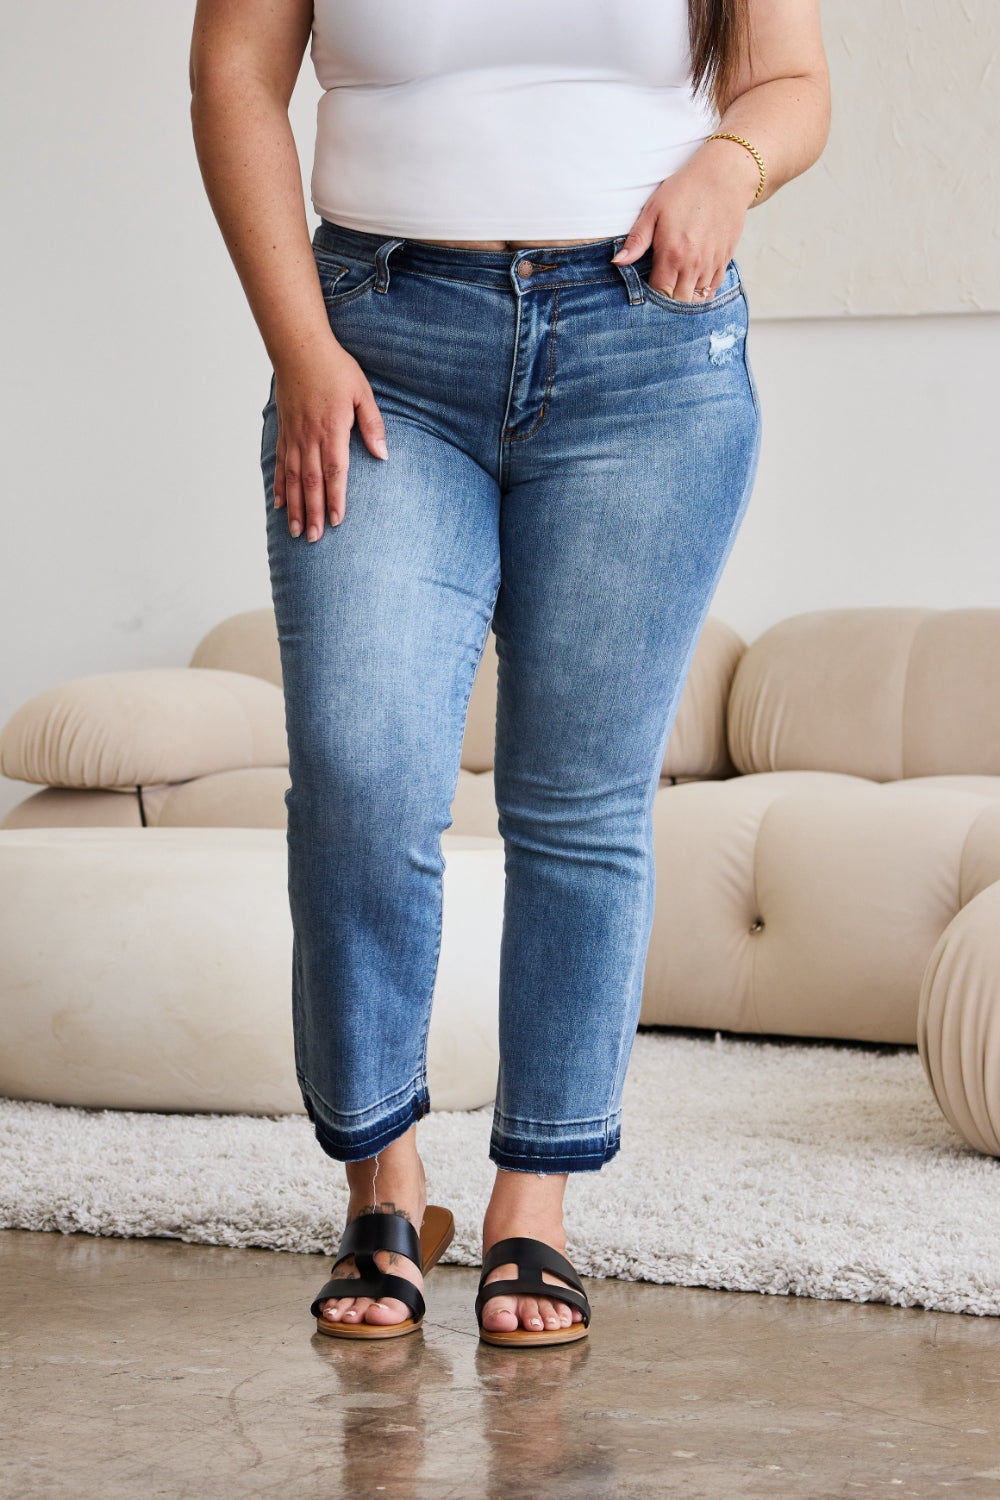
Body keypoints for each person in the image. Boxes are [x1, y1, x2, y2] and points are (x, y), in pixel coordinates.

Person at [190, 0, 830, 1348]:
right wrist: (299, 348)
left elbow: (790, 81)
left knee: (581, 798)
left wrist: (732, 163)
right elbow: (235, 77)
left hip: (643, 349)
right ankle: (385, 1177)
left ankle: (530, 1206)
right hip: (379, 343)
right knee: (361, 769)